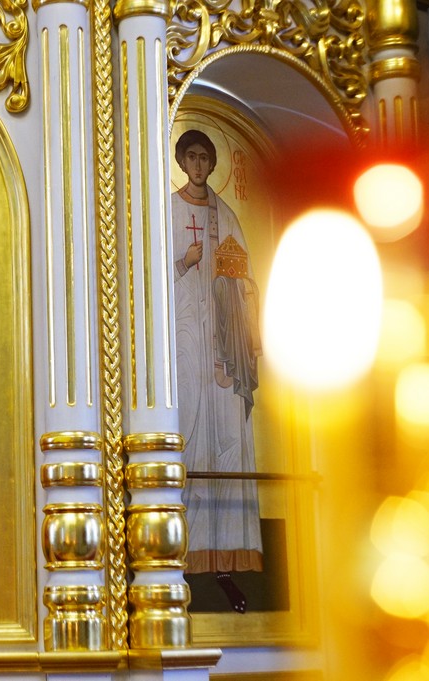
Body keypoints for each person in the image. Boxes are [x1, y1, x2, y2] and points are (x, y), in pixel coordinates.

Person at [171, 129, 262, 614]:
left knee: (227, 444)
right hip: (185, 345)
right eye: (192, 157)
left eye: (206, 158)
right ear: (182, 162)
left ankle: (226, 558)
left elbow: (244, 280)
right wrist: (182, 263)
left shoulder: (225, 215)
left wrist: (233, 285)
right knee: (188, 437)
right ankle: (177, 555)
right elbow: (148, 281)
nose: (199, 165)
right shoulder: (169, 210)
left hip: (222, 351)